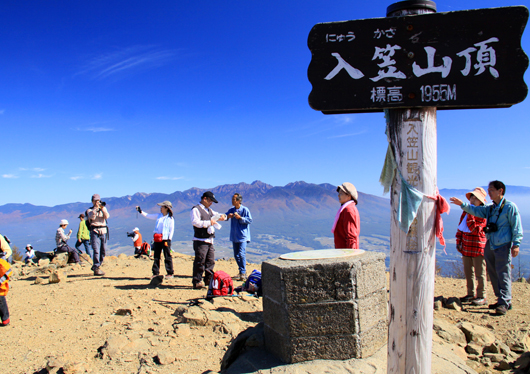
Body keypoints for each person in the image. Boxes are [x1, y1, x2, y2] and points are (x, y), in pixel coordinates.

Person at [450, 180, 523, 315]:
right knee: (493, 273)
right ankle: (501, 299)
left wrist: (516, 244)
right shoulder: (491, 208)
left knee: (503, 273)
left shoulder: (510, 207)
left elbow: (516, 226)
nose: (489, 193)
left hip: (502, 245)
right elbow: (476, 210)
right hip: (490, 244)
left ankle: (504, 302)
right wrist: (463, 205)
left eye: (491, 190)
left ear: (500, 191)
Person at [455, 187, 488, 306]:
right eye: (472, 197)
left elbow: (476, 230)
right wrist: (458, 241)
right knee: (469, 272)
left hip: (478, 247)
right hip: (466, 245)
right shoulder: (466, 212)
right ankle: (470, 294)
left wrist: (470, 215)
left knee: (480, 273)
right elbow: (460, 228)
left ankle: (481, 296)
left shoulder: (484, 212)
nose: (473, 199)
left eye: (476, 198)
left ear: (481, 200)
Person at [190, 191, 226, 289]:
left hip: (209, 240)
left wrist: (223, 216)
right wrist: (209, 222)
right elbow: (195, 222)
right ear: (204, 199)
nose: (211, 203)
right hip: (200, 239)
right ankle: (197, 281)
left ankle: (209, 280)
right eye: (210, 201)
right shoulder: (196, 209)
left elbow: (217, 214)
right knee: (200, 261)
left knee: (210, 261)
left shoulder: (209, 210)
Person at [136, 202, 174, 278]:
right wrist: (141, 211)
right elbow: (148, 216)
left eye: (162, 207)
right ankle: (155, 273)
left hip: (165, 239)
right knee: (156, 256)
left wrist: (169, 240)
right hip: (157, 239)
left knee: (167, 256)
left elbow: (171, 230)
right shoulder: (158, 216)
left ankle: (170, 273)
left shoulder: (170, 218)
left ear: (166, 208)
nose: (161, 208)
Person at [226, 193, 253, 281]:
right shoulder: (231, 210)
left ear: (239, 201)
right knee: (236, 255)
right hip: (234, 236)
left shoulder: (245, 210)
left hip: (242, 236)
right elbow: (225, 216)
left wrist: (240, 218)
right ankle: (241, 271)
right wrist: (227, 216)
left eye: (234, 199)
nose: (232, 201)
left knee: (241, 254)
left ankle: (243, 272)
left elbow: (249, 220)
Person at [86, 194, 110, 276]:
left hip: (103, 230)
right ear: (92, 201)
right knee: (96, 250)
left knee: (103, 250)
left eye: (98, 201)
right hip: (95, 230)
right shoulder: (89, 210)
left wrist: (102, 208)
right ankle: (96, 267)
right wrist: (95, 209)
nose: (97, 202)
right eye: (95, 201)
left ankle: (98, 265)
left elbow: (107, 216)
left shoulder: (103, 208)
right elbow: (91, 217)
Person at [332, 182, 360, 249]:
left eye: (341, 193)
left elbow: (351, 235)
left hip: (345, 252)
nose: (338, 196)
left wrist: (350, 255)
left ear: (349, 196)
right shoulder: (347, 209)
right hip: (343, 251)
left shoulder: (348, 210)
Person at [0, 257, 12, 326]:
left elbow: (8, 271)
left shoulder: (1, 262)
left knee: (1, 302)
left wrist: (1, 281)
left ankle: (5, 318)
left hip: (1, 286)